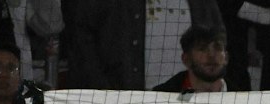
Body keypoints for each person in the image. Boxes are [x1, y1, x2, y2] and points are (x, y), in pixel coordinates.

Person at [63, 0, 222, 89]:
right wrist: (106, 90)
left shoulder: (203, 4)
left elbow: (218, 37)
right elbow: (81, 41)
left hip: (186, 102)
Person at [153, 24, 228, 92]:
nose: (211, 55)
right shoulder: (162, 95)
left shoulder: (238, 92)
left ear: (226, 58)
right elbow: (183, 100)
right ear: (186, 60)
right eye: (202, 48)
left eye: (218, 48)